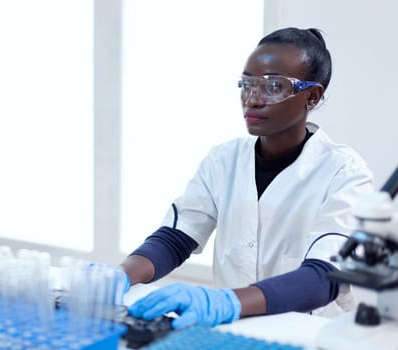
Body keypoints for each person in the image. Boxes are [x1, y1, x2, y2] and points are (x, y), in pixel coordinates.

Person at [120, 27, 374, 330]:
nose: (252, 99)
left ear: (312, 96)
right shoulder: (223, 160)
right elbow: (176, 238)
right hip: (234, 331)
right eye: (247, 84)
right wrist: (119, 275)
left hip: (309, 336)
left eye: (273, 86)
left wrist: (225, 302)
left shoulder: (345, 173)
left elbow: (324, 277)